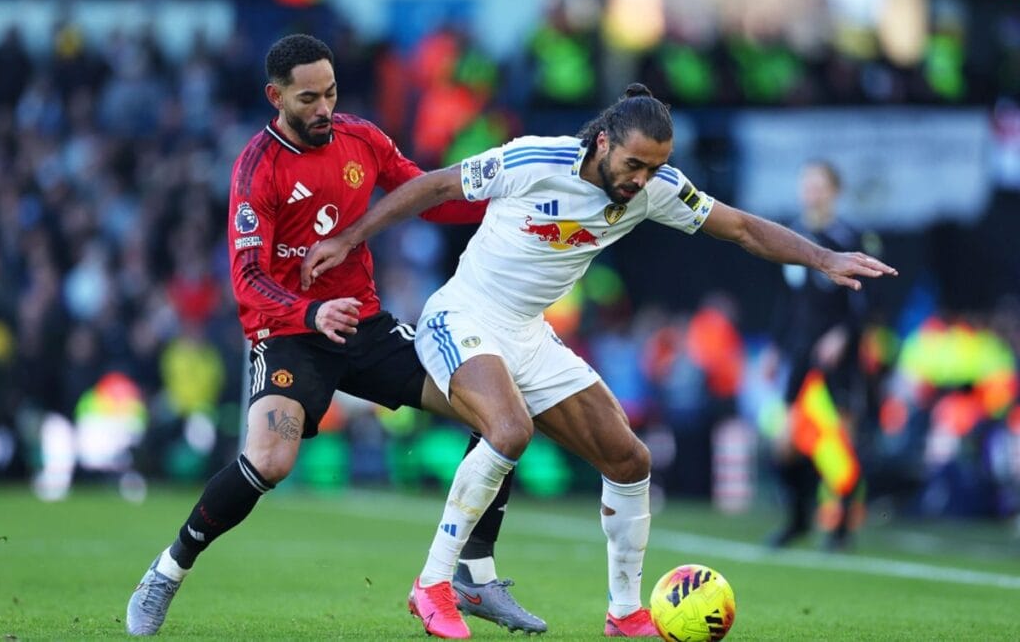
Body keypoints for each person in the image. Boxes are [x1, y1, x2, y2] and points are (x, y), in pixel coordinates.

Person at [300, 83, 898, 638]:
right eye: (634, 164)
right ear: (604, 142)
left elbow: (740, 228)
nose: (642, 180)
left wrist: (823, 259)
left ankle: (625, 611)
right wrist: (350, 238)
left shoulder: (656, 190)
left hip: (529, 336)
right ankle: (433, 583)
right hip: (463, 317)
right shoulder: (534, 159)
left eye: (654, 168)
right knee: (509, 429)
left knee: (630, 459)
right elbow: (434, 186)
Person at [125, 34, 545, 636]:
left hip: (364, 325)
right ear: (275, 97)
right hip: (290, 334)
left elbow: (424, 196)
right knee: (270, 460)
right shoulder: (257, 169)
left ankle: (473, 577)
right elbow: (246, 279)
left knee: (498, 414)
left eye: (331, 93)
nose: (324, 108)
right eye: (309, 98)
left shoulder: (361, 139)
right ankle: (168, 570)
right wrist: (309, 312)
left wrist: (505, 202)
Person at [762, 161, 869, 551]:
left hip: (838, 362)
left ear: (834, 191)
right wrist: (776, 347)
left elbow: (868, 302)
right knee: (786, 443)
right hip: (800, 356)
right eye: (807, 184)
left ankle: (841, 527)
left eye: (819, 185)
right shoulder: (791, 236)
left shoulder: (849, 237)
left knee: (839, 444)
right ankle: (798, 520)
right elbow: (787, 301)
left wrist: (843, 334)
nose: (812, 191)